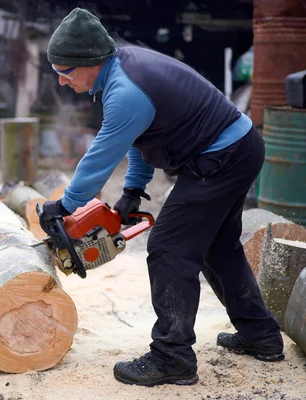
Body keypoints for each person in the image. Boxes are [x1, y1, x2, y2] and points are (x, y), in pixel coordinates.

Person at [38, 8, 284, 387]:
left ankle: (172, 357)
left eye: (65, 72)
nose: (61, 81)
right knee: (217, 248)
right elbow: (141, 138)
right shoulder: (122, 71)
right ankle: (261, 336)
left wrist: (64, 206)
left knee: (169, 248)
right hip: (239, 147)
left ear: (89, 62)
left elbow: (100, 158)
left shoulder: (125, 92)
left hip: (222, 156)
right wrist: (134, 189)